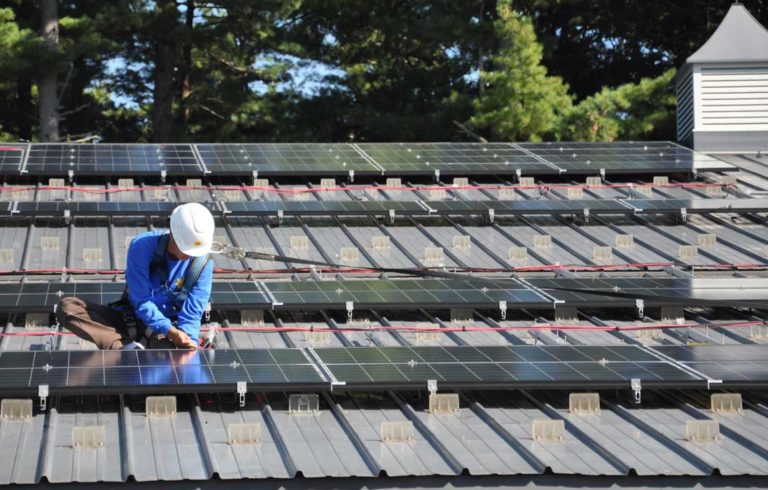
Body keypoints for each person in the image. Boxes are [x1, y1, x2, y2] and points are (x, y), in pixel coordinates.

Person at [57, 203, 215, 350]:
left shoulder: (203, 264)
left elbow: (192, 315)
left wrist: (189, 343)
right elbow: (141, 300)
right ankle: (126, 349)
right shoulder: (143, 246)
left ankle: (136, 354)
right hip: (132, 319)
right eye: (188, 250)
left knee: (171, 361)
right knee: (67, 307)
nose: (191, 256)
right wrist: (169, 331)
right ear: (173, 234)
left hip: (168, 331)